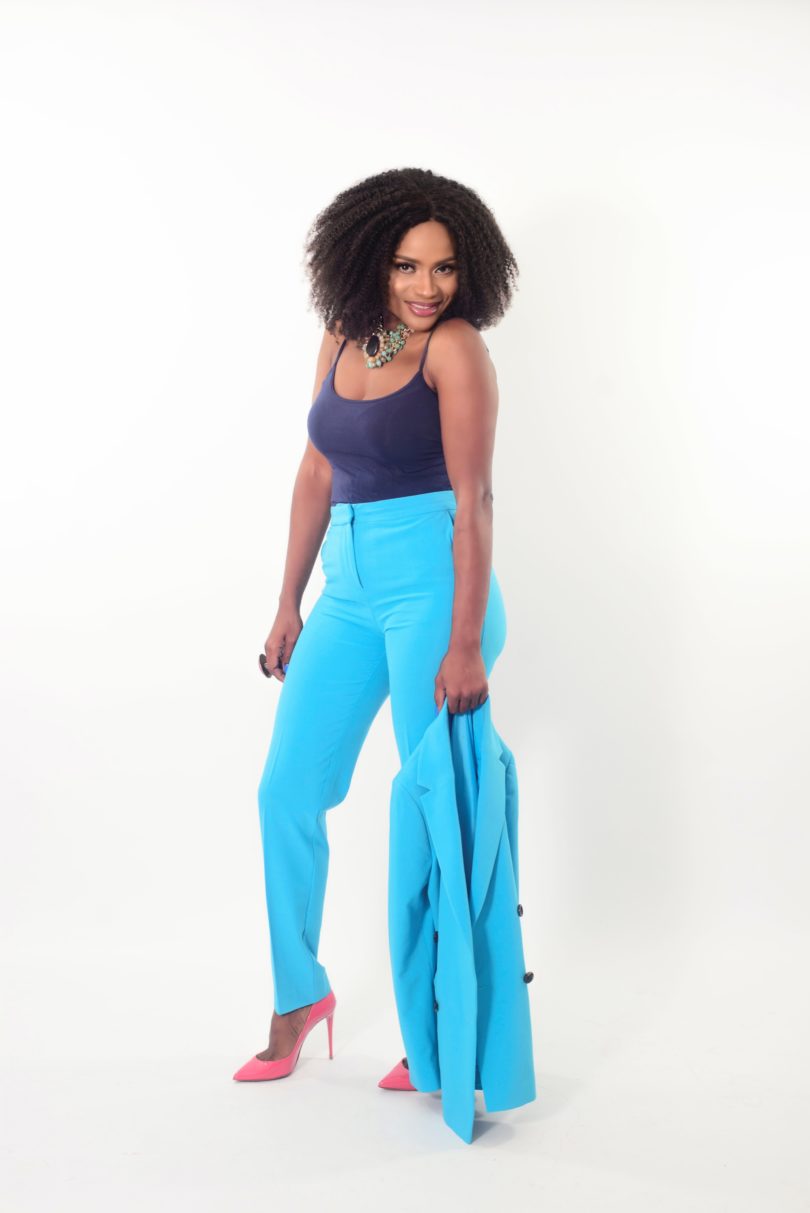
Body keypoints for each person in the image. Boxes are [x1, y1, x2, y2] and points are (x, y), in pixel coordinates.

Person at [233, 166, 519, 1084]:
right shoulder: (354, 334)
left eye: (444, 267)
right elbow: (318, 470)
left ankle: (438, 1027)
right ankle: (298, 994)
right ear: (369, 262)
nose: (427, 287)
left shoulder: (454, 351)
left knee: (431, 805)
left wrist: (465, 642)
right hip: (348, 589)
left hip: (434, 587)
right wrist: (289, 599)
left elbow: (474, 500)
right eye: (406, 265)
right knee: (287, 789)